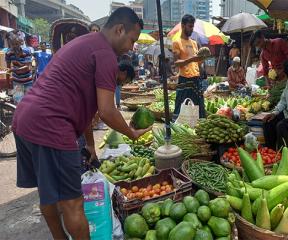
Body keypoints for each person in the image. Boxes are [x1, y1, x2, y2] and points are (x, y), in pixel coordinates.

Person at [12, 7, 150, 240]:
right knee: (73, 203)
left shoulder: (85, 43)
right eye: (132, 40)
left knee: (48, 195)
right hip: (51, 125)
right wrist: (131, 132)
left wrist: (90, 145)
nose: (131, 47)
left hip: (25, 119)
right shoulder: (106, 55)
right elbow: (107, 111)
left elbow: (84, 107)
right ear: (119, 30)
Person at [172, 14, 206, 118]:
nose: (192, 29)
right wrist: (191, 59)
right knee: (182, 107)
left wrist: (202, 59)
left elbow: (197, 62)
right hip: (185, 80)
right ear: (183, 26)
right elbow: (176, 62)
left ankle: (196, 129)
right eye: (189, 26)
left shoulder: (194, 43)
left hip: (196, 79)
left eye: (192, 27)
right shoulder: (177, 42)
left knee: (197, 108)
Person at [6, 31, 33, 104]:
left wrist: (13, 69)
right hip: (16, 82)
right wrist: (8, 83)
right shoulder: (8, 53)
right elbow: (8, 69)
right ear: (10, 44)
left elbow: (27, 67)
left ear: (20, 42)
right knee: (18, 103)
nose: (15, 46)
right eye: (13, 44)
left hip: (28, 81)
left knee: (29, 103)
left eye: (16, 44)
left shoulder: (27, 51)